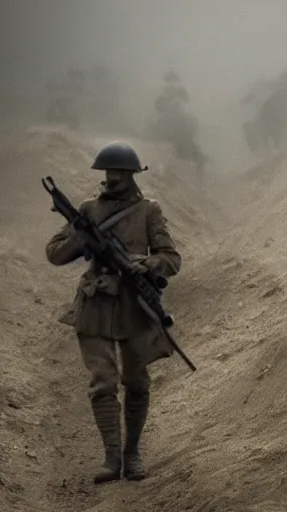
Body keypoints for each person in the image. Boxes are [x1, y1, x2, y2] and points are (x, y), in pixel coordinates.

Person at [45, 141, 182, 484]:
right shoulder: (87, 210)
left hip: (133, 306)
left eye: (120, 172)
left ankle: (131, 452)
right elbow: (55, 253)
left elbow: (171, 259)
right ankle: (111, 459)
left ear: (134, 175)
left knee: (136, 382)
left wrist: (144, 263)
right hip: (94, 305)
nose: (113, 177)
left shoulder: (149, 211)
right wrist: (81, 239)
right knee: (102, 383)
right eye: (109, 172)